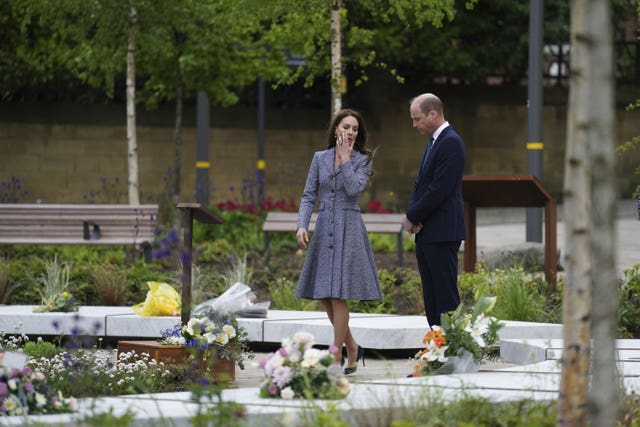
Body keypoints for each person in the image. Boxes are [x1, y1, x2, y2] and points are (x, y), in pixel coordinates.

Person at [295, 108, 381, 375]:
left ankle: (336, 357)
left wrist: (345, 160)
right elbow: (309, 194)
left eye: (355, 128)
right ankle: (352, 346)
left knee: (339, 294)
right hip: (324, 228)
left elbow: (354, 189)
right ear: (336, 130)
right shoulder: (319, 158)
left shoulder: (362, 160)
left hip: (349, 228)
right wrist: (301, 224)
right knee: (324, 294)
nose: (351, 132)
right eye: (346, 127)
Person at [402, 93, 466, 328]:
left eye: (417, 119)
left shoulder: (451, 142)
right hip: (428, 231)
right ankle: (436, 348)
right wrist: (413, 214)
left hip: (443, 231)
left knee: (445, 296)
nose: (414, 125)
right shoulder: (434, 141)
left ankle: (453, 351)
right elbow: (422, 184)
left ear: (433, 113)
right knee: (431, 296)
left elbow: (440, 189)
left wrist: (413, 216)